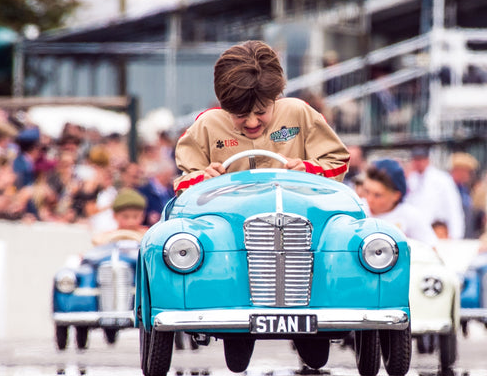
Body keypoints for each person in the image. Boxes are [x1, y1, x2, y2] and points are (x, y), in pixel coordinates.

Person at [174, 41, 349, 192]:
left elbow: (338, 161)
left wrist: (308, 170)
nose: (252, 123)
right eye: (240, 115)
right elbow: (181, 185)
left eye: (261, 112)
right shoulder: (207, 125)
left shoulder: (298, 113)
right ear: (225, 106)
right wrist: (204, 179)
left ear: (275, 98)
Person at [362, 158, 437, 244]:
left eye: (377, 195)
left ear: (396, 196)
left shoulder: (410, 216)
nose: (369, 199)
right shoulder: (358, 210)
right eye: (366, 191)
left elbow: (431, 247)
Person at [404, 147, 465, 240]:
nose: (418, 163)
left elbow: (453, 207)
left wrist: (456, 234)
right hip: (417, 230)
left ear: (427, 160)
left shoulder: (442, 179)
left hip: (438, 229)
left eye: (421, 159)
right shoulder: (410, 179)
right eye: (416, 160)